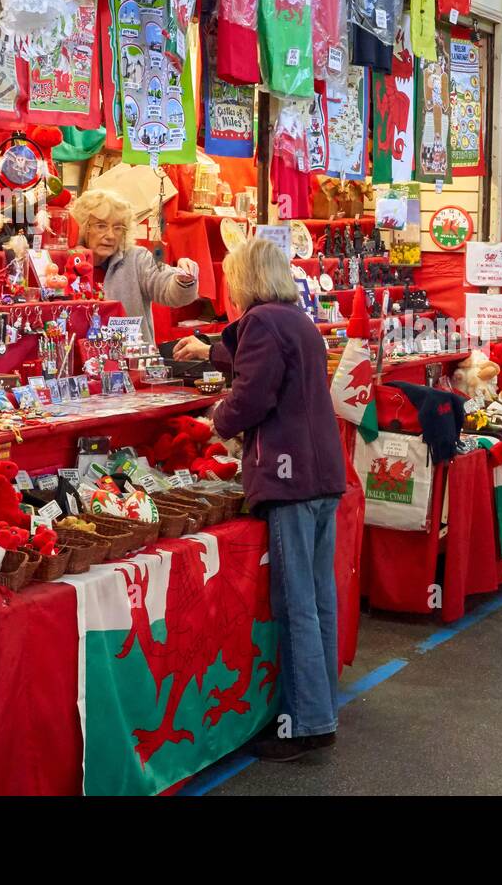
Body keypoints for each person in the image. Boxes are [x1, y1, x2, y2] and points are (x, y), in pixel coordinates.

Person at [174, 238, 346, 762]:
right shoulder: (294, 320)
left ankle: (308, 722)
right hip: (323, 476)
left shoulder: (262, 323)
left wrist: (214, 424)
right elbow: (258, 358)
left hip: (289, 478)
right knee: (318, 597)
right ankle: (323, 705)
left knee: (296, 601)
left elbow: (253, 394)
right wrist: (210, 347)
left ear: (243, 279)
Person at [69, 188, 199, 351]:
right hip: (82, 361)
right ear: (82, 227)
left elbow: (165, 284)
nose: (110, 235)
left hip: (131, 365)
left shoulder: (135, 258)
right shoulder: (68, 261)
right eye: (101, 226)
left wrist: (183, 280)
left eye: (117, 228)